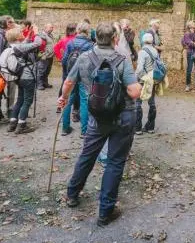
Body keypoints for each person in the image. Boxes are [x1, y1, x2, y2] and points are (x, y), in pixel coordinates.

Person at [58, 22, 142, 227]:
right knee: (115, 162)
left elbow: (69, 82)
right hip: (123, 117)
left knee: (87, 155)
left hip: (97, 117)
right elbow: (134, 92)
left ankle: (72, 194)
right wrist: (140, 84)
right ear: (114, 39)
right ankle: (105, 212)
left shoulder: (84, 58)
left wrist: (63, 98)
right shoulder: (122, 59)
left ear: (95, 38)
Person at [0, 27, 42, 134]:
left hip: (19, 77)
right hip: (28, 78)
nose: (22, 33)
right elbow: (38, 43)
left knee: (20, 100)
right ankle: (21, 125)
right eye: (20, 33)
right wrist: (37, 33)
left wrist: (28, 36)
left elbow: (24, 44)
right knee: (27, 101)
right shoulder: (20, 47)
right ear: (17, 37)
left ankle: (12, 123)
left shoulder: (13, 46)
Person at [61, 22, 94, 136]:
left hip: (71, 74)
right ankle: (84, 131)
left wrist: (66, 74)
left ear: (78, 30)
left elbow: (65, 60)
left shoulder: (70, 43)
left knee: (67, 100)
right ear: (88, 31)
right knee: (84, 102)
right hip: (84, 77)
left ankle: (65, 128)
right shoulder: (90, 45)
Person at [135, 32, 162, 134]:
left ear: (143, 40)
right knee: (152, 103)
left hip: (143, 80)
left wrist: (135, 79)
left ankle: (137, 128)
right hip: (153, 79)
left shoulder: (142, 52)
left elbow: (139, 69)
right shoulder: (155, 51)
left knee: (138, 103)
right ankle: (150, 127)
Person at [54, 23, 78, 112]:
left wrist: (61, 57)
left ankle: (59, 106)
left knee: (64, 83)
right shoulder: (76, 40)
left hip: (66, 64)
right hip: (75, 64)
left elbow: (55, 48)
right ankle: (75, 108)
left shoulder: (64, 40)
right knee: (76, 85)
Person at [182, 20, 195, 92]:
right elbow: (189, 43)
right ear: (189, 25)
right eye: (193, 23)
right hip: (190, 53)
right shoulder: (187, 34)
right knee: (189, 69)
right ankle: (188, 85)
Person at [36, 23, 56, 91]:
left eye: (52, 27)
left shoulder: (50, 35)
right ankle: (39, 84)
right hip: (44, 56)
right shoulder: (42, 36)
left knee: (47, 71)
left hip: (50, 56)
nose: (52, 29)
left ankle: (45, 83)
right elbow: (40, 46)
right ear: (45, 28)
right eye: (50, 27)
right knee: (41, 70)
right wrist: (42, 55)